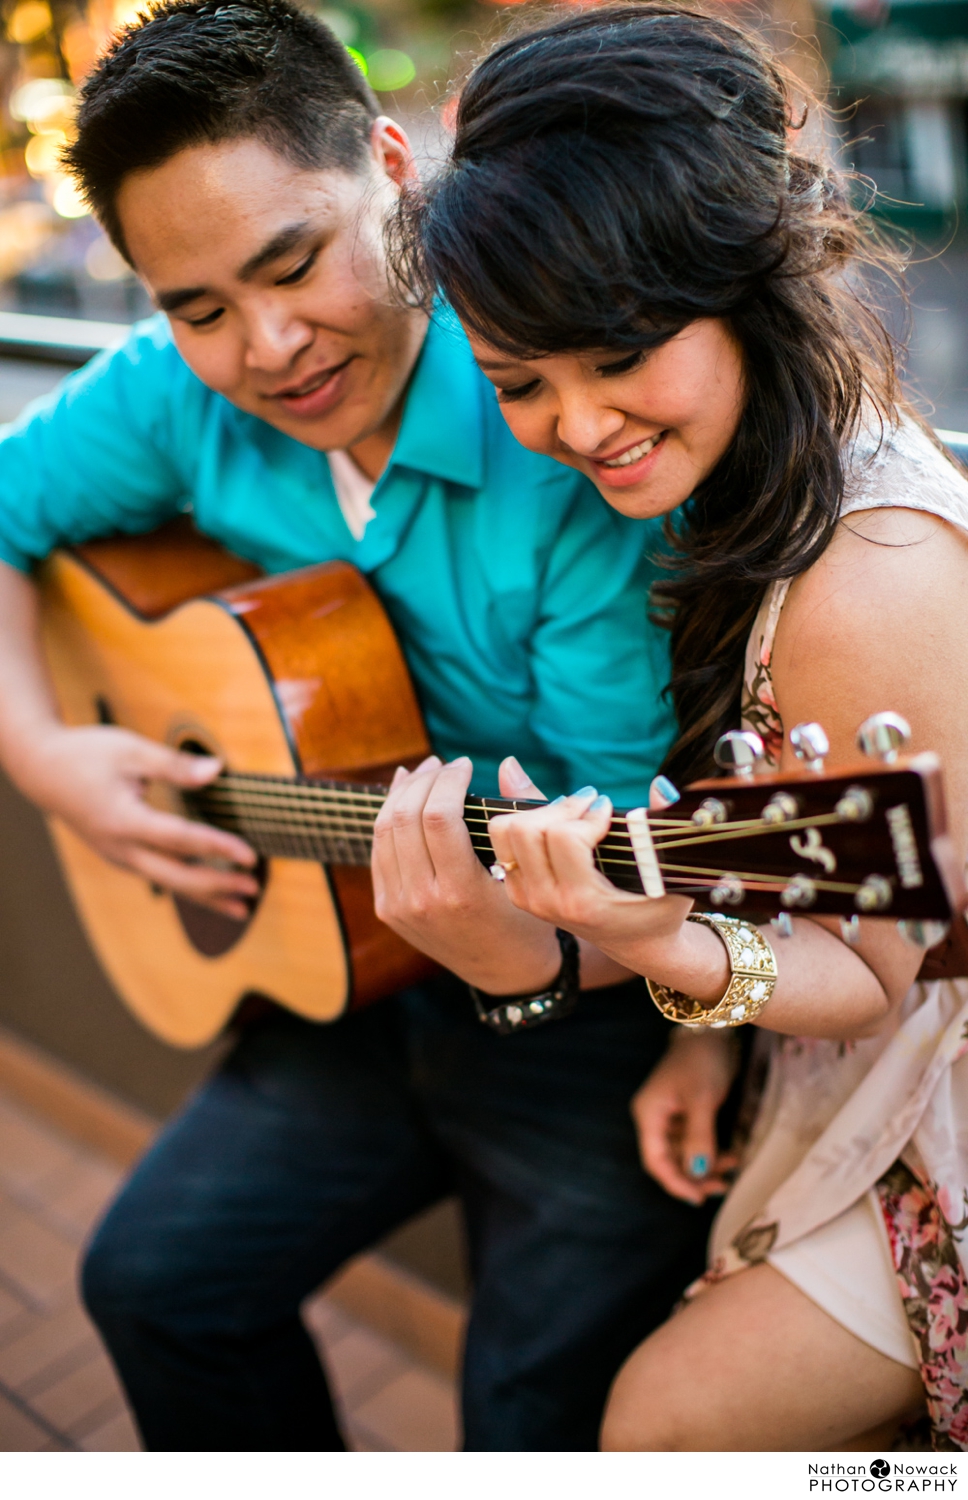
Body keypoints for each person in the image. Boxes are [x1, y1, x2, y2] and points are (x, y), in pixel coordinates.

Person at [0, 0, 717, 1452]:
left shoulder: (568, 437)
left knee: (528, 1433)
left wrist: (537, 949)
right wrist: (45, 756)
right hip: (343, 985)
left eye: (292, 261)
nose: (266, 346)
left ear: (394, 165)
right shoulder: (171, 404)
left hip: (588, 1005)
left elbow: (618, 857)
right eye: (194, 308)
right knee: (150, 1285)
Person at [400, 2, 968, 1451]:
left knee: (660, 1434)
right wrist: (703, 1028)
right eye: (522, 384)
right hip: (844, 1015)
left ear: (741, 278)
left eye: (615, 352)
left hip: (928, 1050)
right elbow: (813, 867)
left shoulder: (866, 576)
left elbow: (874, 972)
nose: (578, 427)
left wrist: (649, 941)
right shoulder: (746, 470)